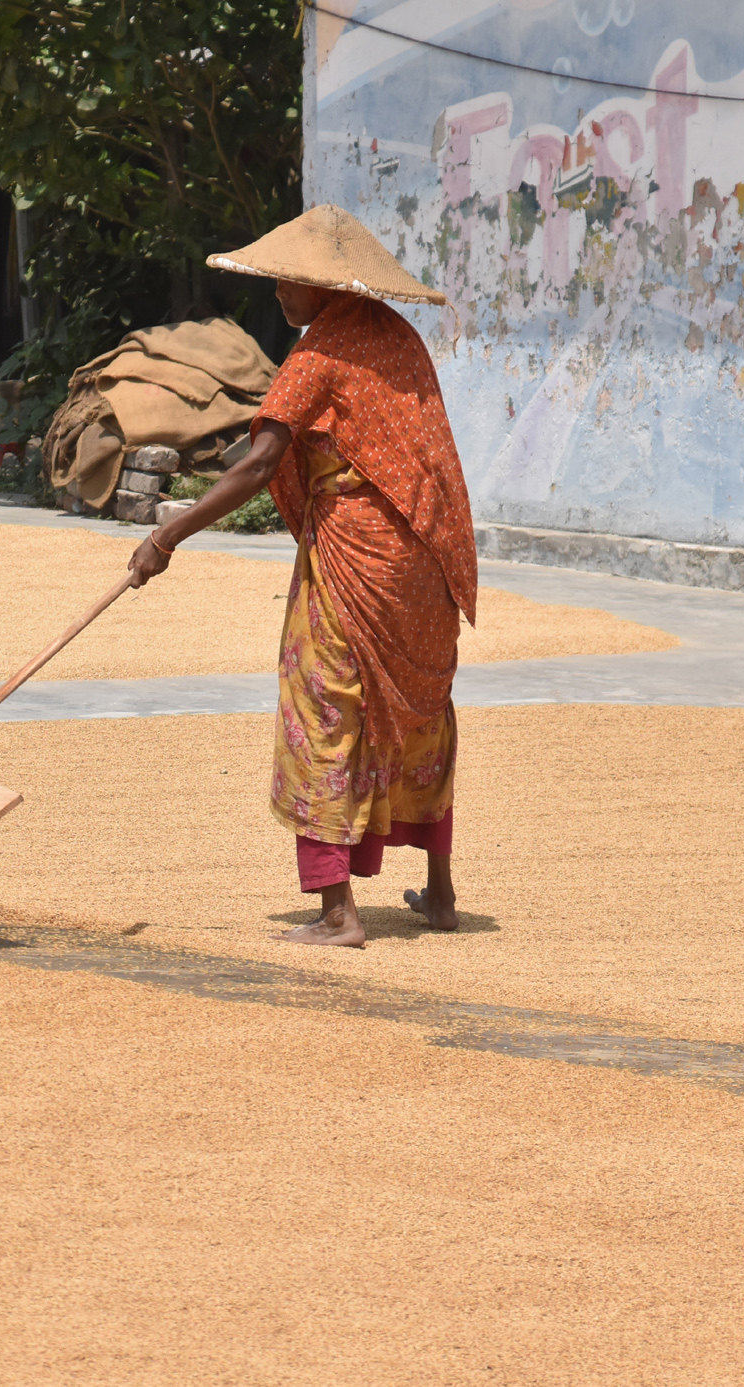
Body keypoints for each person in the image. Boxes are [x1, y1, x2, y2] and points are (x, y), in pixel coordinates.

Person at [127, 204, 477, 948]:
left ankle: (338, 913)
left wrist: (168, 535)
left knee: (323, 706)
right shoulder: (397, 337)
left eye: (292, 282)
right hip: (422, 560)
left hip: (357, 559)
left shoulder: (319, 354)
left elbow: (259, 463)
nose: (281, 295)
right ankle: (441, 895)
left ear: (328, 287)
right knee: (420, 711)